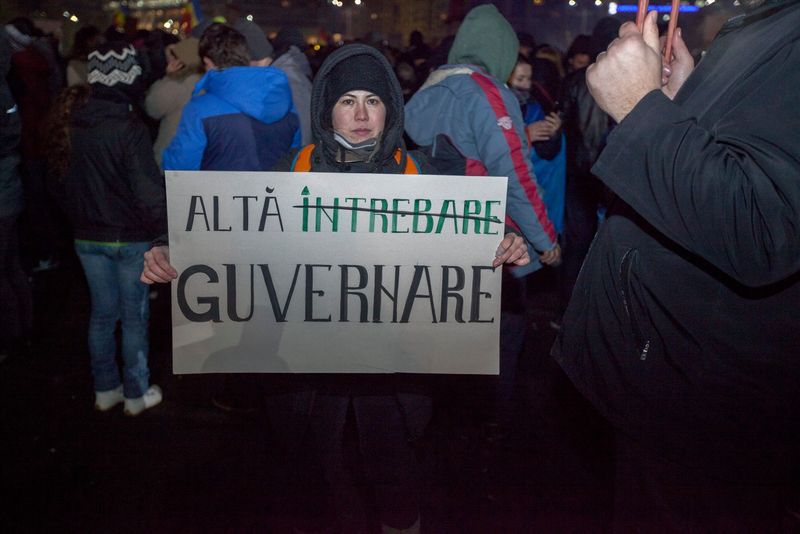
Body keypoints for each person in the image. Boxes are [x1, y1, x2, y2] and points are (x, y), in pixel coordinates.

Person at [141, 42, 530, 532]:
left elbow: (472, 235)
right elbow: (230, 230)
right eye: (348, 101)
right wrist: (171, 249)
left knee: (394, 473)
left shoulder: (423, 175)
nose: (361, 115)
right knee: (314, 479)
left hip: (393, 371)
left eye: (373, 100)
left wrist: (503, 241)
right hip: (307, 371)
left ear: (391, 107)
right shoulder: (292, 168)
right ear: (328, 107)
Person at [553, 2, 800, 530]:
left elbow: (763, 227)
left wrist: (641, 110)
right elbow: (739, 157)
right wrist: (680, 103)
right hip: (673, 380)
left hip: (709, 409)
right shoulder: (773, 23)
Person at [46, 41, 166, 415]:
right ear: (129, 78)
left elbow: (57, 184)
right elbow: (147, 193)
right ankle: (136, 394)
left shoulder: (70, 121)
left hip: (87, 237)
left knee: (101, 315)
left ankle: (105, 389)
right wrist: (163, 234)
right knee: (133, 318)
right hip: (129, 239)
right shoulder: (129, 126)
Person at [162, 23, 299, 171]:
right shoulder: (284, 102)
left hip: (217, 187)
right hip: (272, 185)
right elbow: (293, 160)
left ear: (208, 62)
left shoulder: (199, 110)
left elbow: (180, 167)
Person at [0, 26, 32, 362]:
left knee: (6, 270)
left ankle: (12, 338)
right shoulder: (6, 86)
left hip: (4, 191)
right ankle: (23, 330)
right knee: (11, 266)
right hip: (9, 189)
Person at [144, 37, 202, 169]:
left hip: (172, 160)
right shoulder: (206, 81)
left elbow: (152, 107)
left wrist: (168, 77)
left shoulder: (178, 86)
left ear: (180, 62)